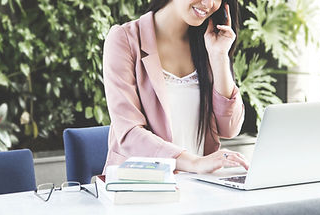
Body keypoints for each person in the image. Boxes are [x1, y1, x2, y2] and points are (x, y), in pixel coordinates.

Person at [102, 0, 249, 174]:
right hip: (141, 186)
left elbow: (229, 128)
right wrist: (195, 163)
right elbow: (129, 134)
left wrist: (219, 57)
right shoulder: (125, 39)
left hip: (199, 187)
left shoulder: (209, 41)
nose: (209, 3)